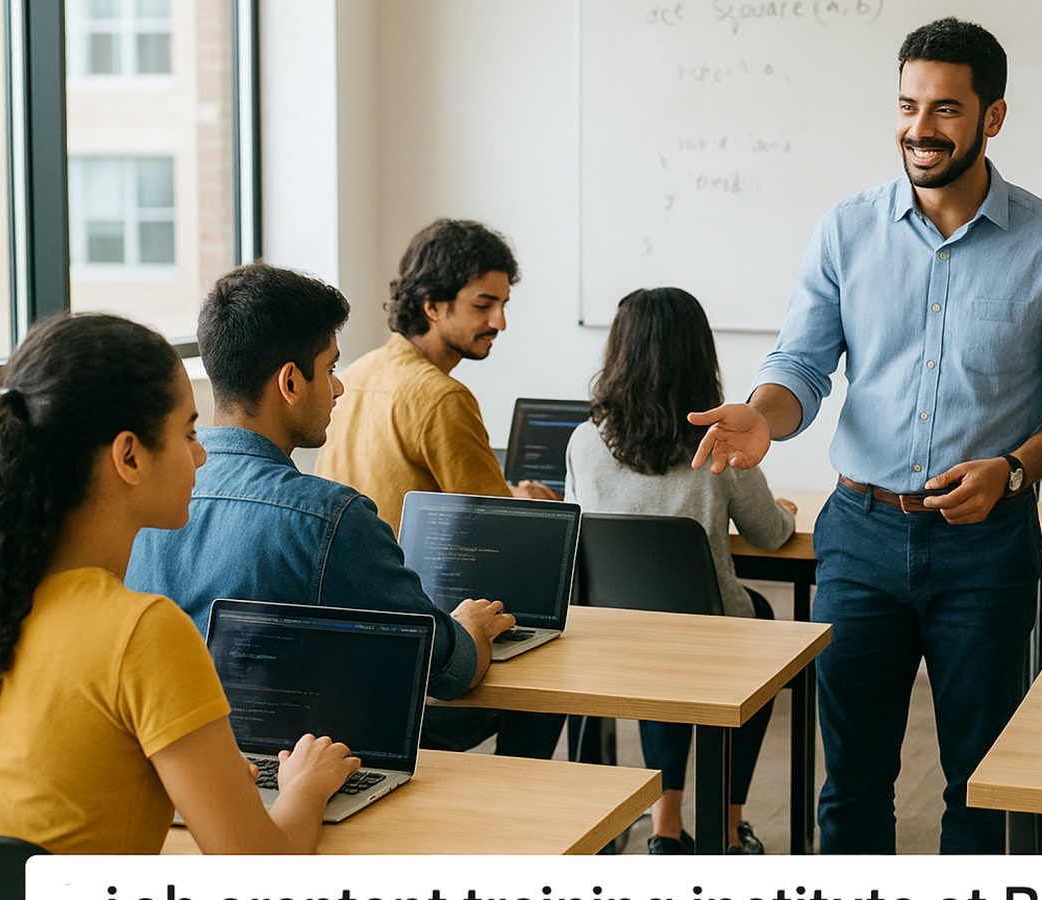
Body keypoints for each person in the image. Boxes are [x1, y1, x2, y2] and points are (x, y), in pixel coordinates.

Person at [689, 18, 1042, 853]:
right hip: (861, 535)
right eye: (906, 106)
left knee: (980, 779)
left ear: (992, 117)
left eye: (945, 109)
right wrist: (764, 414)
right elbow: (802, 369)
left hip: (986, 543)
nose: (919, 129)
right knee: (850, 781)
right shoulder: (846, 230)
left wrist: (1014, 470)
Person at [0, 313, 358, 854]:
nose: (201, 454)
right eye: (189, 432)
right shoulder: (142, 631)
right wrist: (306, 788)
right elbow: (258, 870)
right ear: (129, 455)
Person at [126, 263, 539, 755]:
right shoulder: (330, 518)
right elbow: (447, 669)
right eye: (330, 369)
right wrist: (469, 633)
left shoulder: (146, 502)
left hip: (166, 772)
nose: (339, 387)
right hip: (298, 776)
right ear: (290, 383)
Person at [565, 287, 796, 855]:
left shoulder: (584, 440)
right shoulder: (719, 441)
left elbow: (576, 534)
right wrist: (785, 513)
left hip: (613, 634)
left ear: (617, 352)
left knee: (657, 642)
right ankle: (728, 820)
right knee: (758, 621)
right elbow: (769, 534)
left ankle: (665, 828)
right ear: (701, 354)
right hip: (708, 635)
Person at [316, 218, 558, 538]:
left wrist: (511, 493)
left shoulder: (356, 372)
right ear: (432, 307)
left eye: (502, 305)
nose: (500, 322)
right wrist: (530, 503)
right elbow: (499, 525)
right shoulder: (442, 398)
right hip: (411, 584)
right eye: (483, 305)